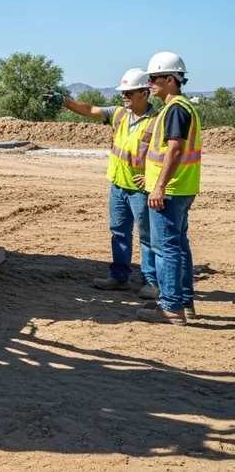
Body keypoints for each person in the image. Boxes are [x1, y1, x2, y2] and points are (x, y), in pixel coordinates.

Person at [56, 68, 157, 297]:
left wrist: (153, 179)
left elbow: (166, 155)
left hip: (141, 189)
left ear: (144, 92)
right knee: (119, 232)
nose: (125, 96)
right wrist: (64, 101)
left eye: (130, 93)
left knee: (147, 236)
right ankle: (120, 277)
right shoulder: (120, 114)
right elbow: (91, 110)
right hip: (118, 185)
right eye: (124, 92)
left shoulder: (157, 121)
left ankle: (151, 282)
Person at [137, 51, 202, 325]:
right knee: (179, 247)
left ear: (172, 79)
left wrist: (158, 187)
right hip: (182, 189)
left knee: (166, 249)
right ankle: (185, 304)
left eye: (155, 78)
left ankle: (171, 307)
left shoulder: (175, 109)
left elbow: (174, 149)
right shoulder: (182, 107)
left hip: (170, 190)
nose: (150, 83)